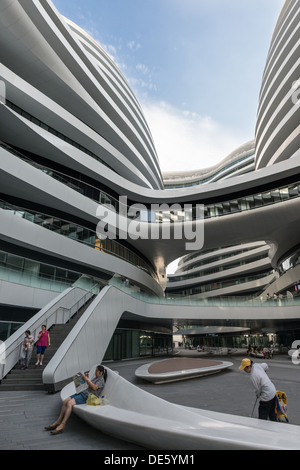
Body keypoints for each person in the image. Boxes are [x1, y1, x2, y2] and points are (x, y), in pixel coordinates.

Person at [45, 365, 107, 435]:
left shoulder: (101, 380)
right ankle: (58, 421)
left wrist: (87, 379)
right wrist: (86, 378)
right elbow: (89, 385)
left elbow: (94, 388)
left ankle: (63, 424)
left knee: (69, 403)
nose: (95, 372)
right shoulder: (96, 378)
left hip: (87, 396)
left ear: (101, 372)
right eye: (95, 370)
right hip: (82, 393)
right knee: (65, 401)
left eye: (97, 371)